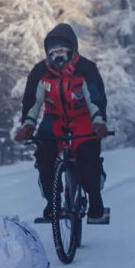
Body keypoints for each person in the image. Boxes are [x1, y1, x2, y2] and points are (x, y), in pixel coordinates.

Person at [12, 23, 110, 224]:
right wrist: (28, 125)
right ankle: (52, 201)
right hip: (54, 119)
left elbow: (96, 99)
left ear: (72, 49)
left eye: (63, 51)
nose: (59, 57)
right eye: (54, 52)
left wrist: (98, 122)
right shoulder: (40, 72)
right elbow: (33, 101)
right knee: (44, 155)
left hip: (82, 119)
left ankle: (95, 200)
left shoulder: (86, 69)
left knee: (88, 156)